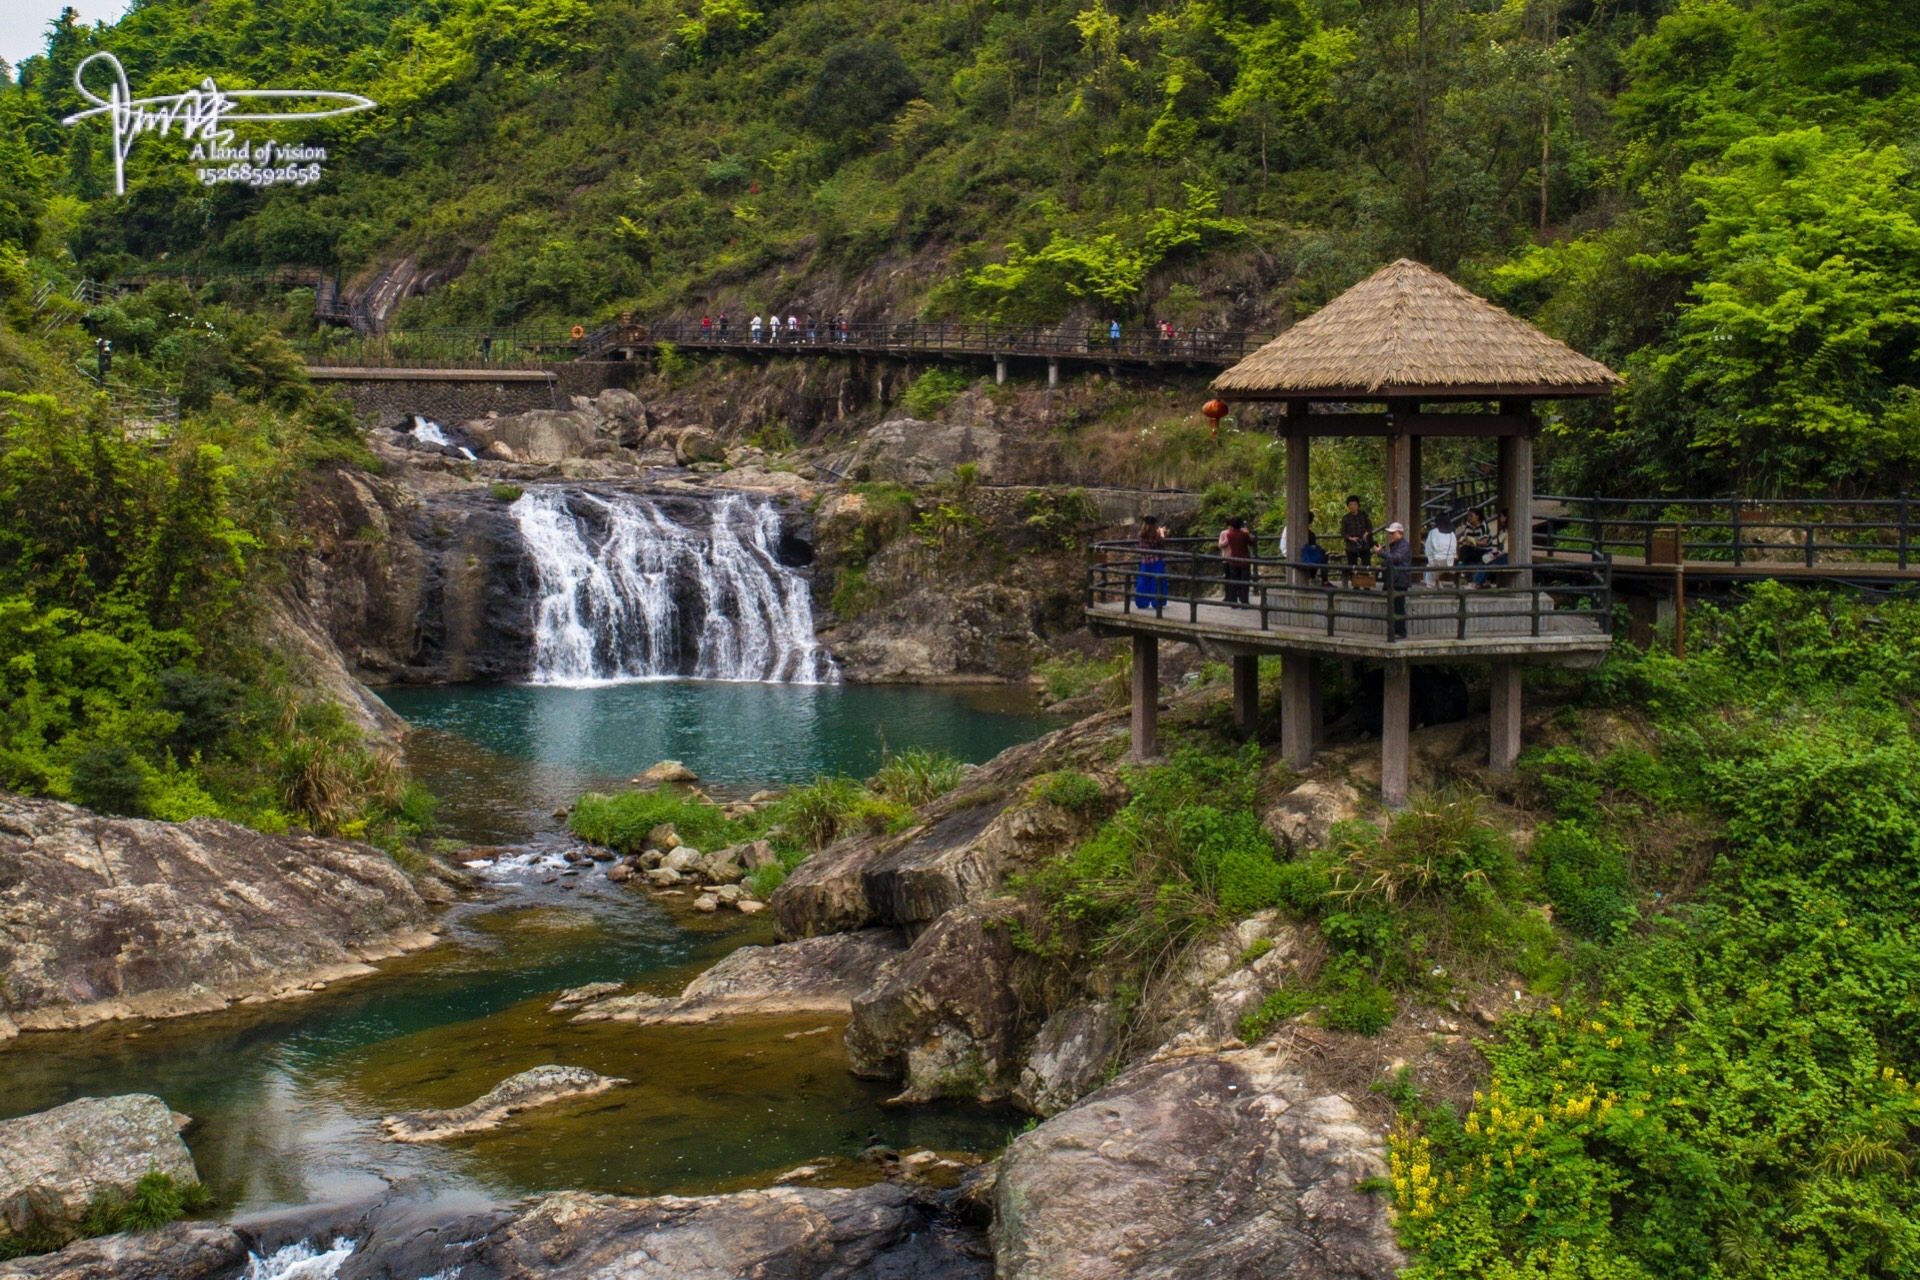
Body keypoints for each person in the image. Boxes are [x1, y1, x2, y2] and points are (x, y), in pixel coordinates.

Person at [1380, 521, 1413, 637]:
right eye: (1390, 533)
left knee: (1399, 606)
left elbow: (1396, 558)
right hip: (1395, 579)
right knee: (1393, 606)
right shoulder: (1395, 546)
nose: (1391, 536)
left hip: (1401, 580)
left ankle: (1401, 631)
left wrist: (1382, 553)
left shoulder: (1403, 545)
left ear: (1400, 533)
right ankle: (1395, 630)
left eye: (1393, 533)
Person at [1218, 516, 1254, 605]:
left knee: (1233, 581)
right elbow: (1251, 543)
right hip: (1244, 560)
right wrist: (1248, 533)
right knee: (1244, 581)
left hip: (1233, 560)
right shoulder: (1244, 535)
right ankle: (1244, 601)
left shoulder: (1229, 535)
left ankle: (1233, 600)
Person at [1135, 515, 1168, 610]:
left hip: (1145, 561)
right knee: (1157, 582)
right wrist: (1162, 533)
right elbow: (1162, 542)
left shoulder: (1141, 534)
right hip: (1156, 561)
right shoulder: (1155, 535)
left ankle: (1141, 602)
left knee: (1143, 582)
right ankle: (1157, 602)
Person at [1340, 496, 1375, 578]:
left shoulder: (1363, 515)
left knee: (1366, 565)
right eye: (1350, 505)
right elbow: (1343, 532)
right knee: (1352, 567)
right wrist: (1350, 538)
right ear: (1348, 506)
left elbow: (1370, 527)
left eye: (1355, 504)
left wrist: (1365, 535)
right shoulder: (1346, 518)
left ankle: (1367, 585)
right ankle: (1355, 587)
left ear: (1358, 505)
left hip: (1364, 544)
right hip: (1351, 545)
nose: (1353, 507)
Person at [1424, 516, 1458, 588]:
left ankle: (1429, 586)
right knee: (1434, 567)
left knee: (1430, 567)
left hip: (1436, 560)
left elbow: (1428, 547)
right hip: (1449, 561)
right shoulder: (1452, 534)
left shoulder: (1433, 532)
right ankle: (1437, 582)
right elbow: (1454, 549)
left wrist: (1432, 559)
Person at [1457, 508, 1490, 579]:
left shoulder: (1483, 526)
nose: (1469, 518)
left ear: (1477, 516)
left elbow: (1485, 543)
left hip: (1483, 550)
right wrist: (1465, 542)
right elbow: (1466, 538)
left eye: (1471, 516)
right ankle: (1461, 570)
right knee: (1463, 549)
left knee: (1466, 553)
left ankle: (1462, 571)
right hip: (1473, 548)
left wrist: (1474, 542)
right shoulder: (1468, 526)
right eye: (1468, 516)